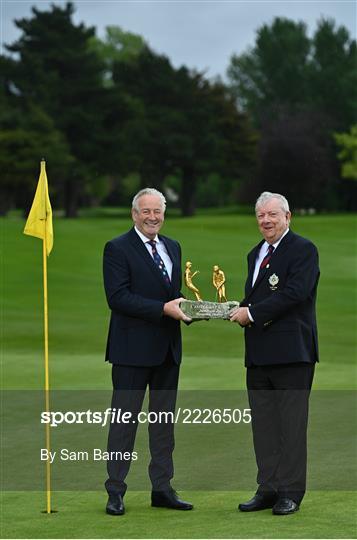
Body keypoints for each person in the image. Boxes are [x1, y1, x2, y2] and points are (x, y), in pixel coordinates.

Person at [103, 188, 193, 515]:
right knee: (124, 423)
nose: (153, 217)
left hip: (168, 351)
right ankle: (115, 491)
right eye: (146, 211)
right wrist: (164, 309)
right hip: (130, 352)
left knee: (163, 424)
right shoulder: (117, 248)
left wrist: (195, 308)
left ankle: (162, 488)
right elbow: (118, 298)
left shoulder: (172, 247)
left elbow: (172, 294)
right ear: (134, 214)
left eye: (158, 211)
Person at [230, 191, 319, 515]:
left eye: (272, 215)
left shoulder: (303, 250)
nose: (266, 221)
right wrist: (230, 309)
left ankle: (290, 493)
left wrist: (251, 314)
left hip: (292, 354)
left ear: (287, 217)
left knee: (291, 426)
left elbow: (296, 293)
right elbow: (254, 299)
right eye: (261, 216)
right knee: (264, 426)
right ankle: (267, 488)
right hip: (258, 355)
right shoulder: (255, 253)